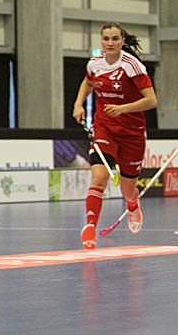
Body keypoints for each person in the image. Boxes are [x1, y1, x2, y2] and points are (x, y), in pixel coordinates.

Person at [72, 22, 157, 249]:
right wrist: (78, 104)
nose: (110, 43)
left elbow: (151, 100)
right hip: (104, 127)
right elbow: (88, 82)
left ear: (122, 41)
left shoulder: (132, 66)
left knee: (127, 189)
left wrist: (123, 109)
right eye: (106, 39)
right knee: (99, 177)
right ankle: (90, 227)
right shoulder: (95, 64)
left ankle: (132, 204)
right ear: (101, 41)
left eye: (115, 38)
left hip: (131, 132)